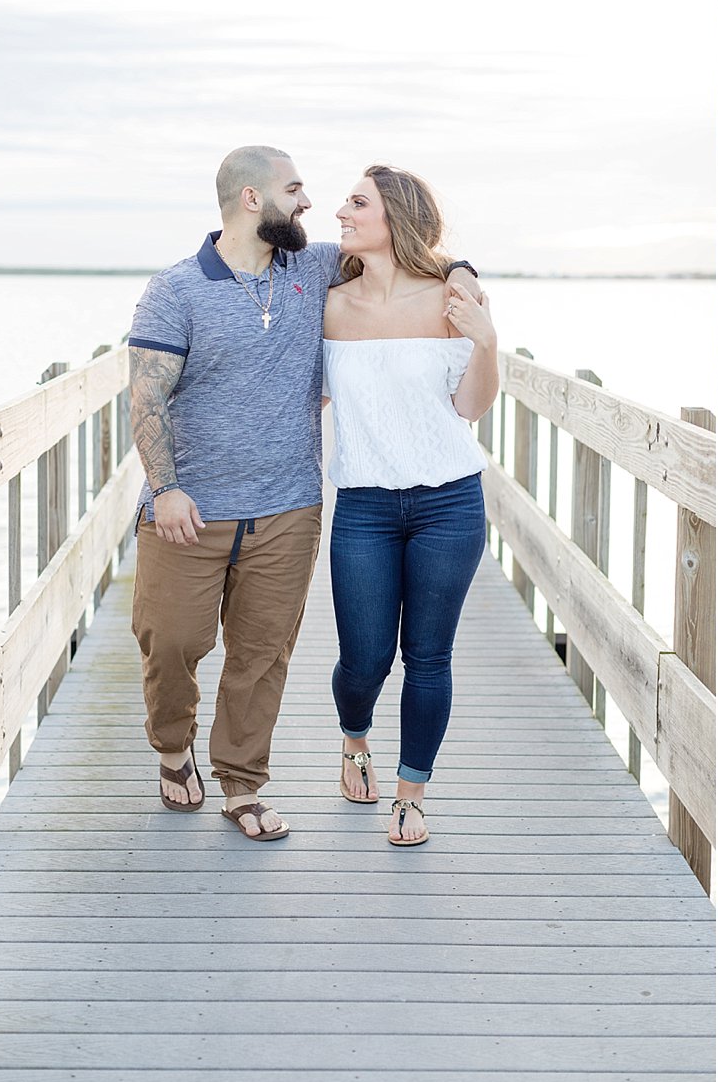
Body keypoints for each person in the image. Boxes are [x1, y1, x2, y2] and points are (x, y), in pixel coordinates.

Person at [128, 146, 480, 840]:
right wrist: (164, 488)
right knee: (170, 642)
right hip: (189, 510)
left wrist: (466, 275)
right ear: (253, 199)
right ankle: (173, 748)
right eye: (296, 191)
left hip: (288, 506)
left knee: (262, 655)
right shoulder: (174, 289)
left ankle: (241, 784)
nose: (312, 206)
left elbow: (416, 254)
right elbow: (145, 396)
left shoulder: (315, 268)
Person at [321, 164, 499, 845]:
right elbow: (306, 395)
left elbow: (471, 406)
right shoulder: (330, 306)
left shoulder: (450, 301)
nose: (341, 211)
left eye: (357, 202)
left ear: (393, 215)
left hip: (448, 503)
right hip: (363, 505)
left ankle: (410, 793)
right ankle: (354, 738)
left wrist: (485, 340)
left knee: (428, 655)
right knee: (364, 659)